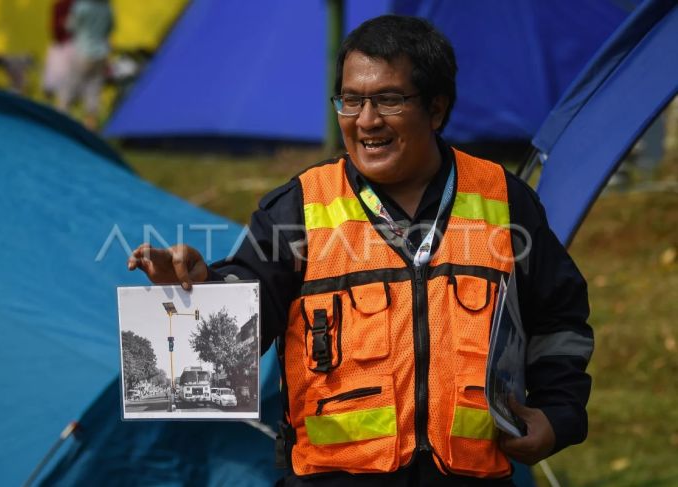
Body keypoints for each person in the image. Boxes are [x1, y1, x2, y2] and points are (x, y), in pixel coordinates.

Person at [128, 15, 593, 486]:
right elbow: (236, 325)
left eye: (389, 99)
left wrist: (558, 414)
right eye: (351, 100)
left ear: (436, 108)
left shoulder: (504, 202)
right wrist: (195, 293)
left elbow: (559, 319)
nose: (366, 120)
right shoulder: (299, 209)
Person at [55, 0, 113, 130]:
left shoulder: (81, 5)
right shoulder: (107, 6)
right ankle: (90, 127)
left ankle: (59, 123)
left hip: (82, 51)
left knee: (69, 88)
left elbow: (71, 26)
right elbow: (110, 28)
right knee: (94, 90)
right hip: (101, 53)